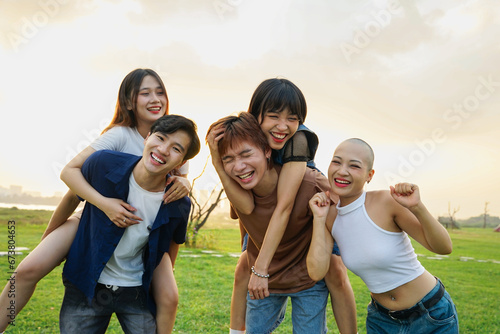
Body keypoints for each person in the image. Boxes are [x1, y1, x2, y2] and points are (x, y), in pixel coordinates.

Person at [0, 68, 189, 334]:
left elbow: (175, 197)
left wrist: (186, 182)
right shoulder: (119, 136)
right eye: (145, 93)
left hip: (142, 235)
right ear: (128, 102)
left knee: (169, 296)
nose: (155, 98)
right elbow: (70, 177)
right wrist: (102, 206)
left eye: (160, 92)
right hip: (94, 218)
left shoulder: (176, 143)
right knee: (26, 270)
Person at [207, 78, 357, 334]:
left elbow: (284, 207)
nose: (282, 126)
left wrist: (262, 269)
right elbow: (246, 208)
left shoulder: (297, 140)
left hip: (297, 204)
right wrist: (215, 158)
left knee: (334, 270)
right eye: (273, 116)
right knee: (245, 264)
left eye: (292, 118)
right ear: (256, 117)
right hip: (264, 207)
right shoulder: (246, 142)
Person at [59, 114, 200, 333]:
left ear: (181, 162)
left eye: (176, 149)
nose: (163, 150)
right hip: (86, 284)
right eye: (160, 138)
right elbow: (71, 189)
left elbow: (172, 243)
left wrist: (161, 282)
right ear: (147, 137)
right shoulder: (103, 164)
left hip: (137, 292)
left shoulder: (178, 202)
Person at [307, 138, 459, 333]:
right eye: (336, 162)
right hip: (382, 321)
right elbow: (316, 272)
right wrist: (318, 220)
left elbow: (444, 247)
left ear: (369, 175)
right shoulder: (328, 216)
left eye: (354, 166)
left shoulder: (386, 202)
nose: (342, 171)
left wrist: (417, 208)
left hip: (430, 314)